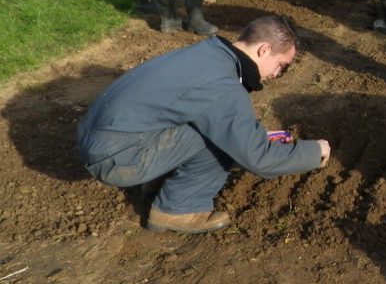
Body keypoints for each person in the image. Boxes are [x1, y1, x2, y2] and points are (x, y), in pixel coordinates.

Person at [76, 15, 331, 234]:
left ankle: (156, 184)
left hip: (101, 137)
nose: (277, 74)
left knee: (220, 128)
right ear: (264, 50)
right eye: (281, 65)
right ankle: (178, 209)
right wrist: (314, 151)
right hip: (114, 157)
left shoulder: (207, 53)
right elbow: (258, 159)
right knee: (223, 140)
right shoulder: (223, 85)